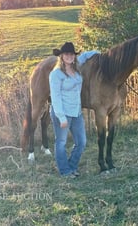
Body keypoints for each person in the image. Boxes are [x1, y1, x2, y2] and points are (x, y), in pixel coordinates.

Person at [49, 42, 87, 178]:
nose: (69, 56)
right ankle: (65, 171)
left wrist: (96, 52)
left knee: (82, 142)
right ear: (61, 56)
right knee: (61, 142)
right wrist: (61, 117)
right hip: (62, 112)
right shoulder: (56, 74)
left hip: (76, 112)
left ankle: (71, 166)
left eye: (72, 54)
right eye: (66, 54)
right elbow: (55, 96)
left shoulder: (76, 69)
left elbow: (84, 57)